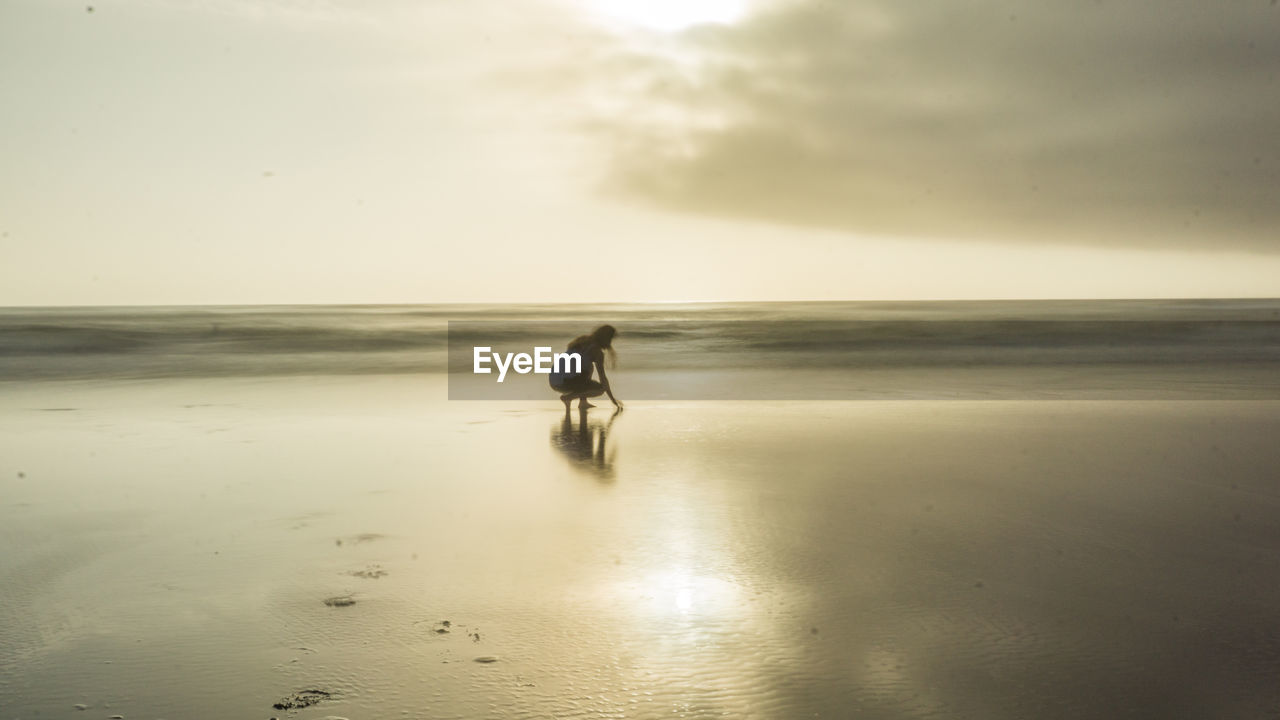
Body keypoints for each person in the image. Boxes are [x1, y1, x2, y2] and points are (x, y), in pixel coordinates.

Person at [549, 324, 623, 413]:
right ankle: (568, 398)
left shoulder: (581, 341)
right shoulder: (596, 351)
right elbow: (602, 377)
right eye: (611, 338)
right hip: (565, 382)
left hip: (553, 381)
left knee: (587, 368)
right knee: (600, 389)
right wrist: (612, 399)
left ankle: (583, 402)